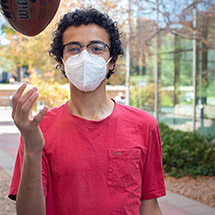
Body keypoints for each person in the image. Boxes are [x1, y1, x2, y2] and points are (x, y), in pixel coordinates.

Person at [8, 7, 166, 215]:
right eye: (73, 49)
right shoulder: (38, 129)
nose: (84, 56)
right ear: (61, 62)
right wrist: (32, 149)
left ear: (112, 61)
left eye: (96, 48)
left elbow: (149, 206)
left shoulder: (144, 125)